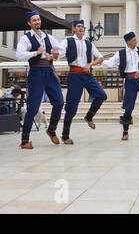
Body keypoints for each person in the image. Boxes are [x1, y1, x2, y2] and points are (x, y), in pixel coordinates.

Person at [16, 10, 64, 149]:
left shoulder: (48, 37)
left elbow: (62, 50)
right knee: (33, 107)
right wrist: (36, 53)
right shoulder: (26, 38)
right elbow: (19, 55)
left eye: (38, 19)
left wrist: (55, 55)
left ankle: (52, 129)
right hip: (36, 73)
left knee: (59, 102)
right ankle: (25, 140)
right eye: (34, 20)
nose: (37, 22)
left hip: (49, 71)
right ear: (29, 23)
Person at [59, 20, 107, 144]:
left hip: (87, 74)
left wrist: (90, 64)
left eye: (82, 27)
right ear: (74, 28)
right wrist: (53, 54)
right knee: (72, 106)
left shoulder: (88, 43)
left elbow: (100, 58)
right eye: (78, 26)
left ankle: (89, 116)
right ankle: (65, 135)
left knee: (102, 95)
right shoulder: (67, 41)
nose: (81, 28)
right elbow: (59, 52)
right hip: (74, 75)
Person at [103, 31, 139, 140]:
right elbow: (110, 63)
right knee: (128, 107)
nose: (136, 41)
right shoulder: (121, 53)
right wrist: (99, 61)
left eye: (135, 39)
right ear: (128, 42)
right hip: (129, 80)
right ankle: (125, 132)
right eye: (134, 40)